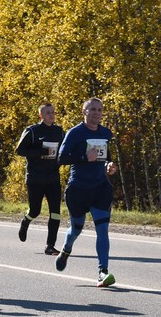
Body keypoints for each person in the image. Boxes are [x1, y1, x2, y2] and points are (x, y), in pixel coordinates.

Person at [55, 98, 120, 287]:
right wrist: (84, 157)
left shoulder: (106, 133)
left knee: (103, 229)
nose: (96, 113)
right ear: (84, 111)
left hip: (100, 188)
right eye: (92, 109)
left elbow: (106, 157)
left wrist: (109, 165)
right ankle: (66, 249)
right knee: (77, 229)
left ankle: (103, 272)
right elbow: (61, 158)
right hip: (78, 189)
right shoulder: (75, 133)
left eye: (99, 110)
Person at [15, 103, 66, 256]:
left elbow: (63, 150)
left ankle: (50, 246)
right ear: (41, 115)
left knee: (55, 212)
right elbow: (19, 150)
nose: (51, 115)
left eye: (53, 112)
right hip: (35, 178)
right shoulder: (32, 131)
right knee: (35, 210)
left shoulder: (59, 132)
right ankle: (26, 221)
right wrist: (40, 152)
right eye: (48, 112)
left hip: (53, 178)